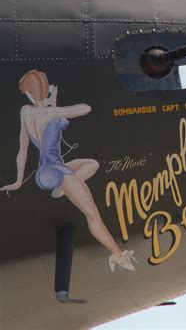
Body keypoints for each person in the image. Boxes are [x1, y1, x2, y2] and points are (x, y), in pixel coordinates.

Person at [0, 70, 137, 273]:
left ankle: (63, 189)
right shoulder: (52, 112)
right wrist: (56, 107)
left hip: (45, 171)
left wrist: (19, 181)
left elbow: (23, 149)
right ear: (44, 90)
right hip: (57, 170)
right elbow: (85, 108)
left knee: (91, 164)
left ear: (29, 94)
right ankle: (117, 255)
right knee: (91, 211)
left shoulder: (26, 112)